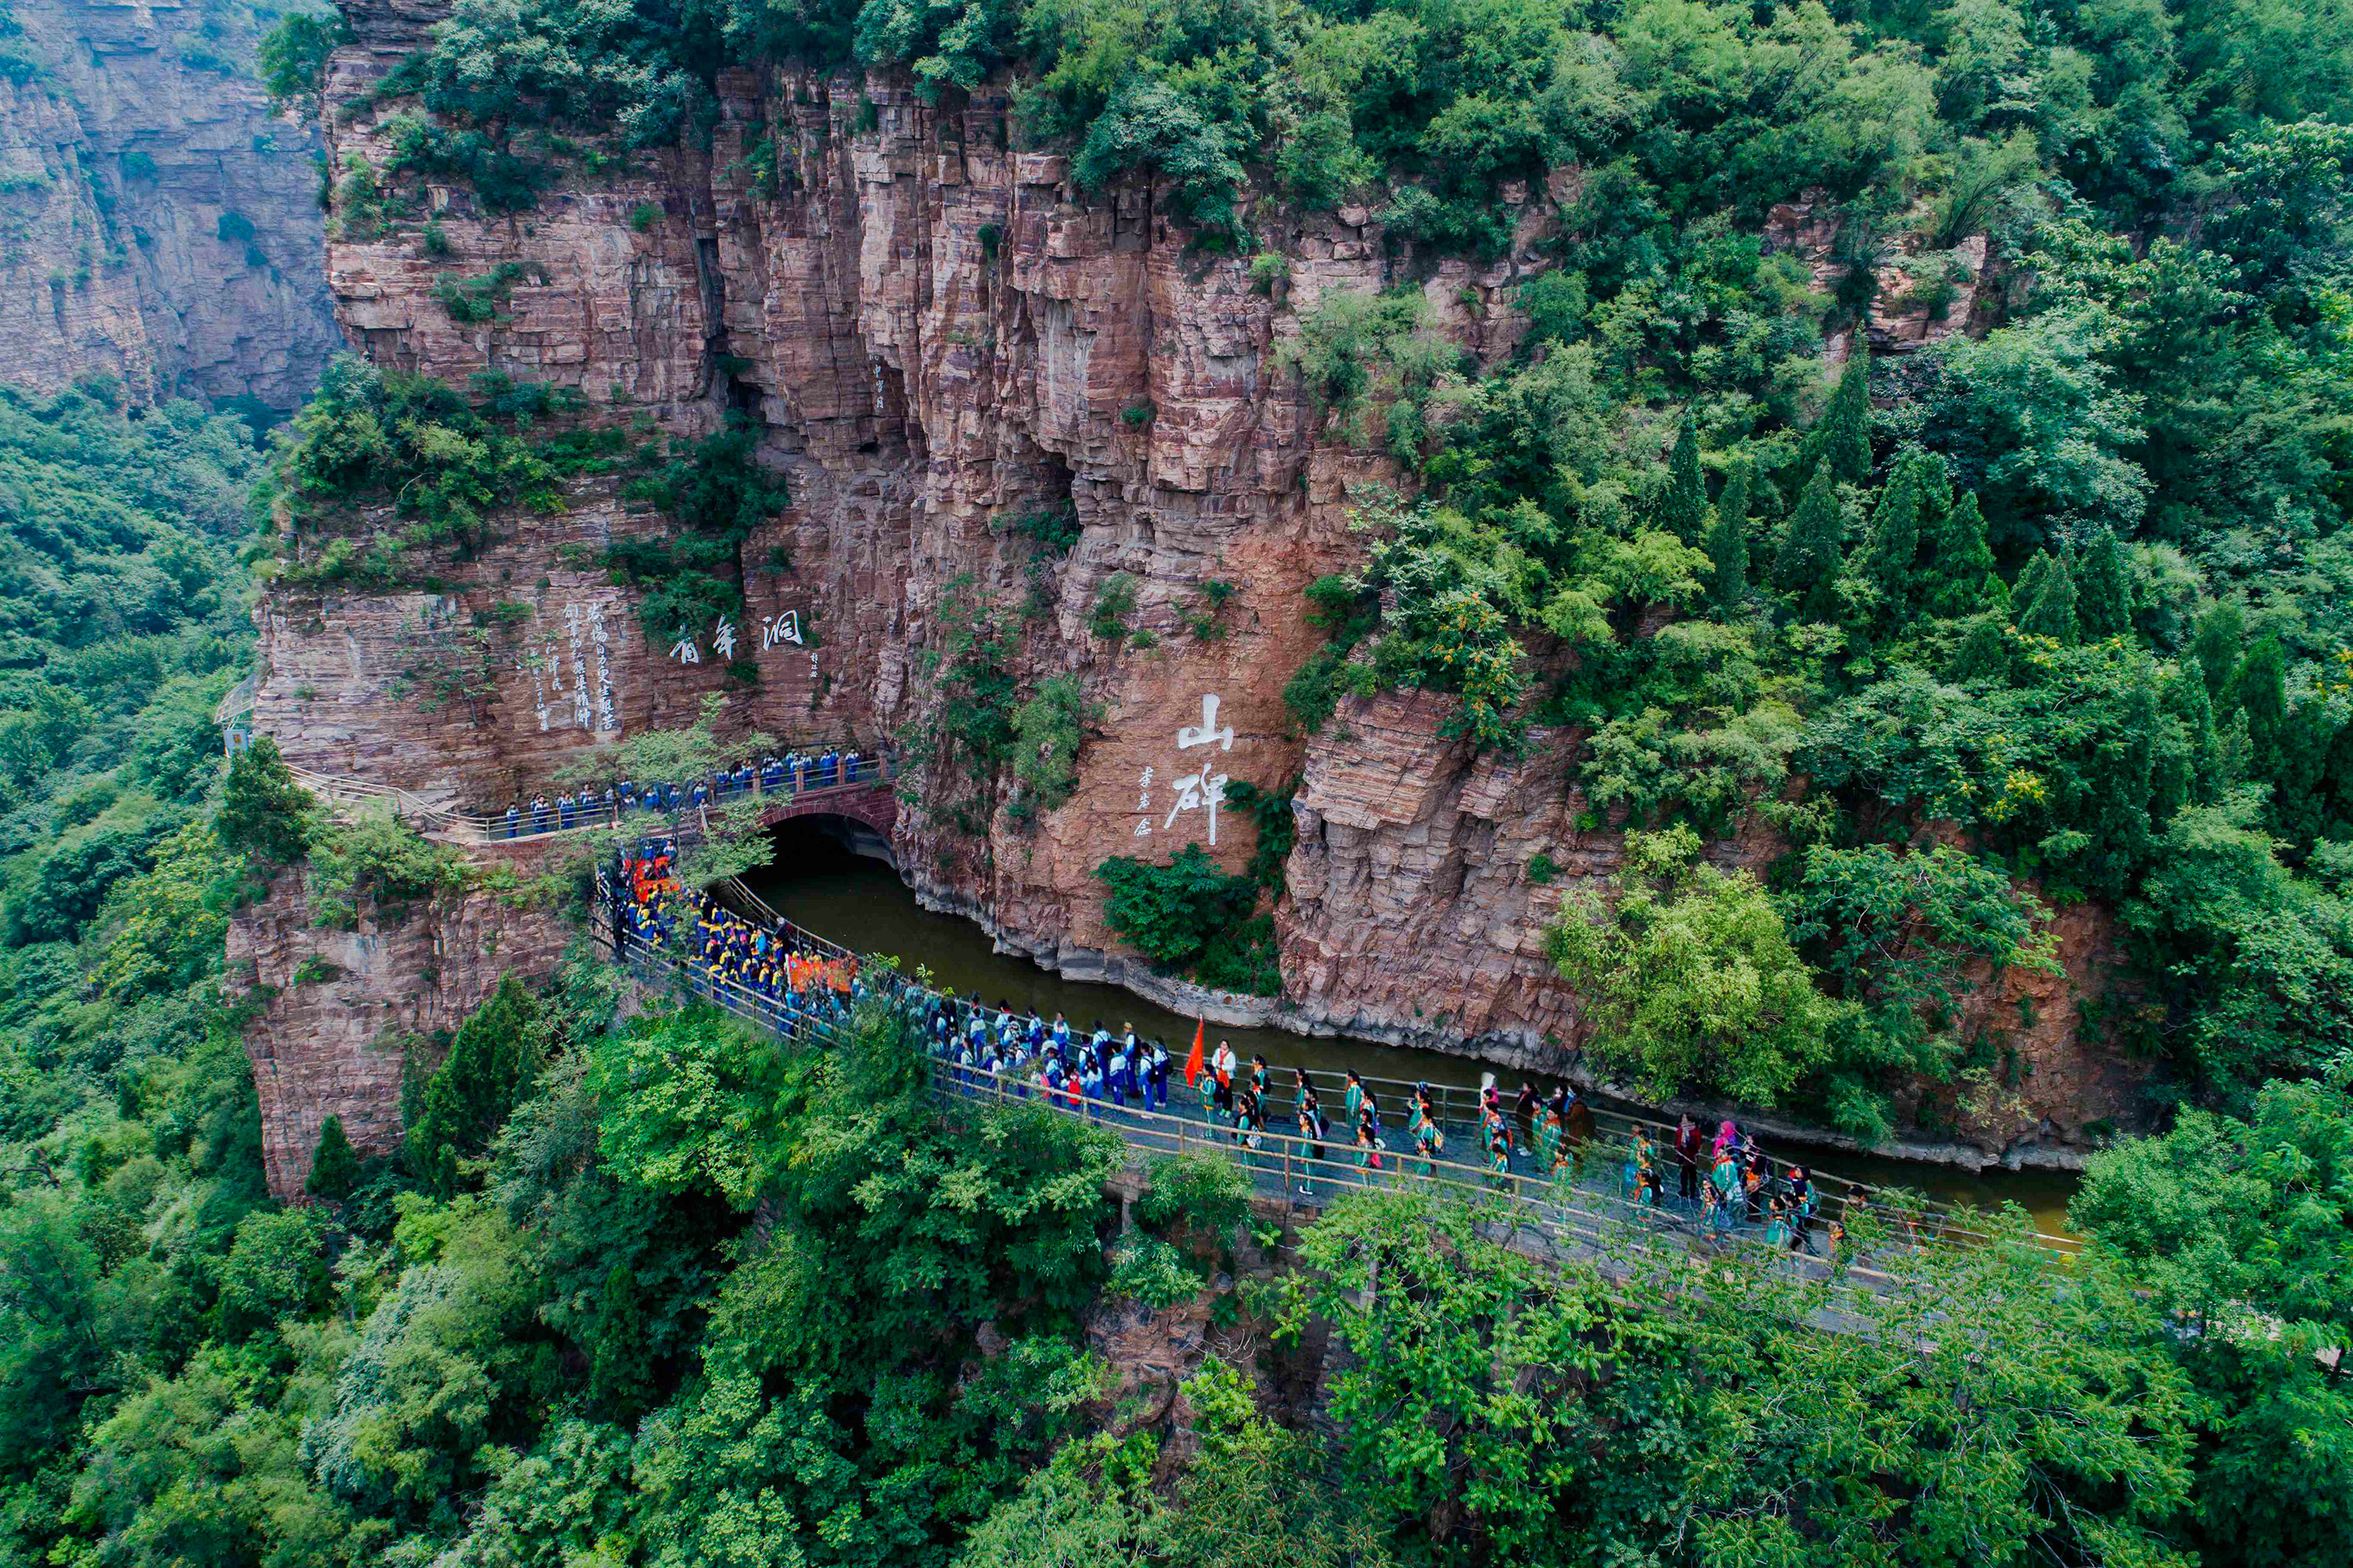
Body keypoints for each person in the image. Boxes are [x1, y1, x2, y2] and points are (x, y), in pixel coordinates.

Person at [1674, 1115, 1704, 1206]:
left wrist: (1688, 1137)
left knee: (1692, 1175)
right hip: (1682, 1154)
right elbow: (1677, 1142)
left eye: (1685, 1120)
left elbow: (1696, 1145)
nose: (1683, 1121)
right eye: (1682, 1119)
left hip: (1691, 1156)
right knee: (1683, 1174)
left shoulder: (1696, 1132)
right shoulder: (1680, 1130)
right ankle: (1683, 1190)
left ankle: (1692, 1192)